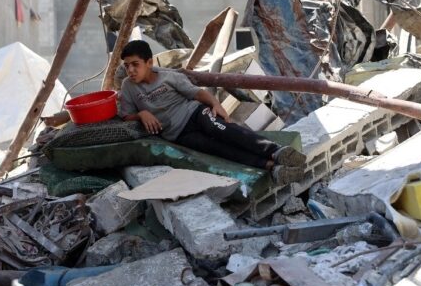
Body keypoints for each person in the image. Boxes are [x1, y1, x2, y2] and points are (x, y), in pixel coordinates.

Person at [117, 40, 307, 184]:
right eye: (127, 66)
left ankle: (276, 152)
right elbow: (126, 116)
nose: (130, 70)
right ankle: (272, 168)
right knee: (217, 149)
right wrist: (141, 114)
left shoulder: (169, 77)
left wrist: (216, 104)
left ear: (149, 62)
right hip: (178, 134)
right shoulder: (128, 87)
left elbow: (197, 93)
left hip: (195, 114)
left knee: (224, 131)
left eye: (135, 64)